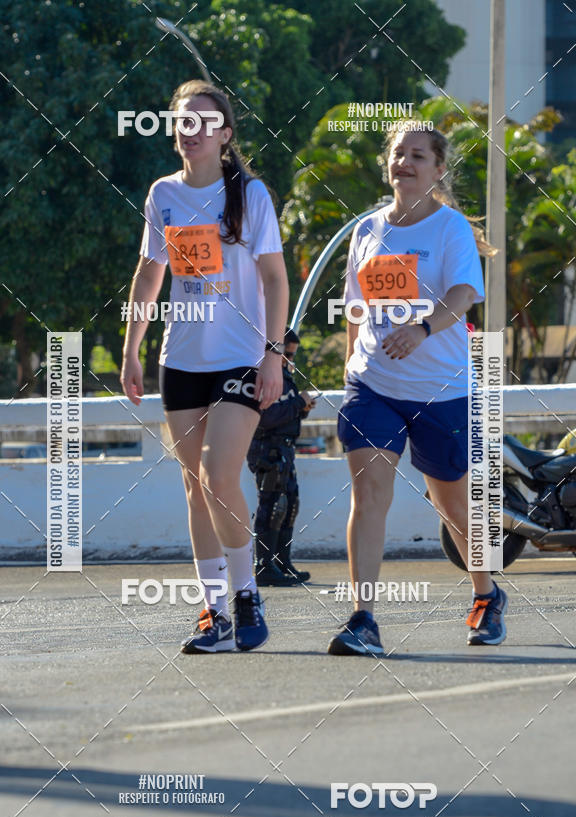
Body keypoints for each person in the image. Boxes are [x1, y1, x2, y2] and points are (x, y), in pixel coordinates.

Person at [120, 80, 288, 654]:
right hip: (182, 360)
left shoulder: (251, 195)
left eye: (202, 121)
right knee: (196, 487)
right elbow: (150, 275)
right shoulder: (162, 194)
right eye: (181, 122)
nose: (190, 130)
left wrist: (274, 354)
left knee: (220, 477)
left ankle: (246, 595)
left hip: (241, 357)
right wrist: (131, 347)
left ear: (224, 134)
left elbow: (273, 279)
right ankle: (212, 612)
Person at [329, 120, 507, 656]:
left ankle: (486, 593)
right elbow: (355, 308)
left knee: (452, 506)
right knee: (370, 494)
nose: (404, 163)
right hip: (373, 385)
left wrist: (423, 327)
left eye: (418, 156)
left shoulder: (449, 228)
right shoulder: (367, 230)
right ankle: (363, 619)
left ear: (438, 169)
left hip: (441, 389)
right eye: (398, 154)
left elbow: (464, 294)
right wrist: (348, 367)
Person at [247, 326, 316, 586]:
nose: (289, 360)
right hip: (268, 447)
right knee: (272, 505)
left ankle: (280, 562)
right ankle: (263, 566)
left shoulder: (284, 376)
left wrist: (303, 408)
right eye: (286, 353)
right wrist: (298, 403)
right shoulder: (262, 374)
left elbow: (284, 412)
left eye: (292, 355)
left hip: (285, 447)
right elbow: (265, 417)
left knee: (289, 505)